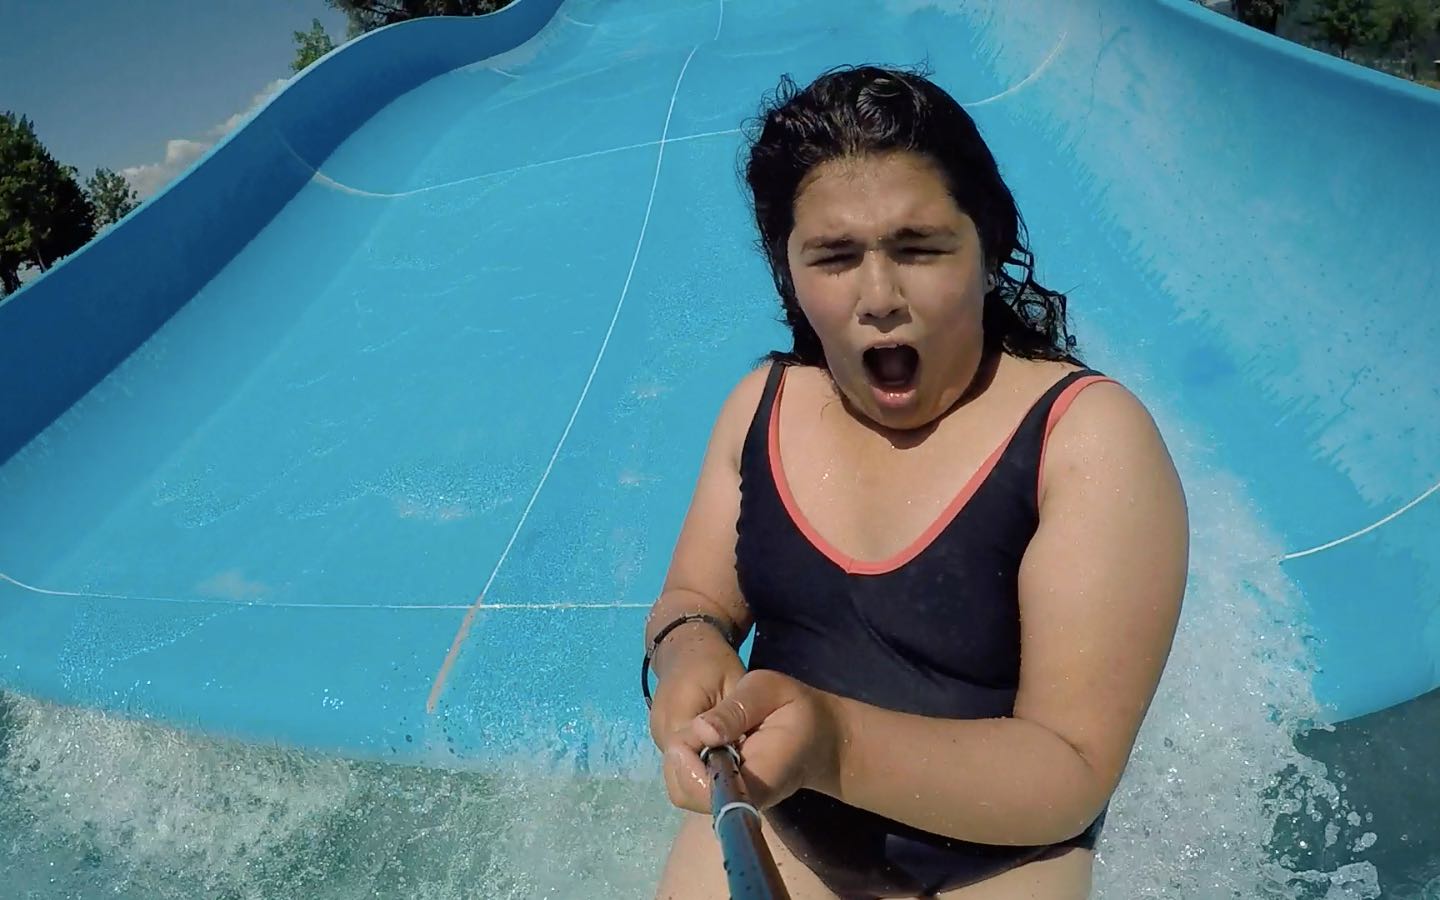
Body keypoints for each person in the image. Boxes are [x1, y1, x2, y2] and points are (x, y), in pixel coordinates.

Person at [641, 64, 1189, 900]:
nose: (880, 297)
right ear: (787, 270)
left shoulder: (1085, 440)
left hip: (995, 867)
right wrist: (689, 650)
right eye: (834, 257)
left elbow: (1074, 769)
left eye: (919, 248)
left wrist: (832, 745)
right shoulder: (762, 408)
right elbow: (694, 598)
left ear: (989, 246)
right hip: (782, 832)